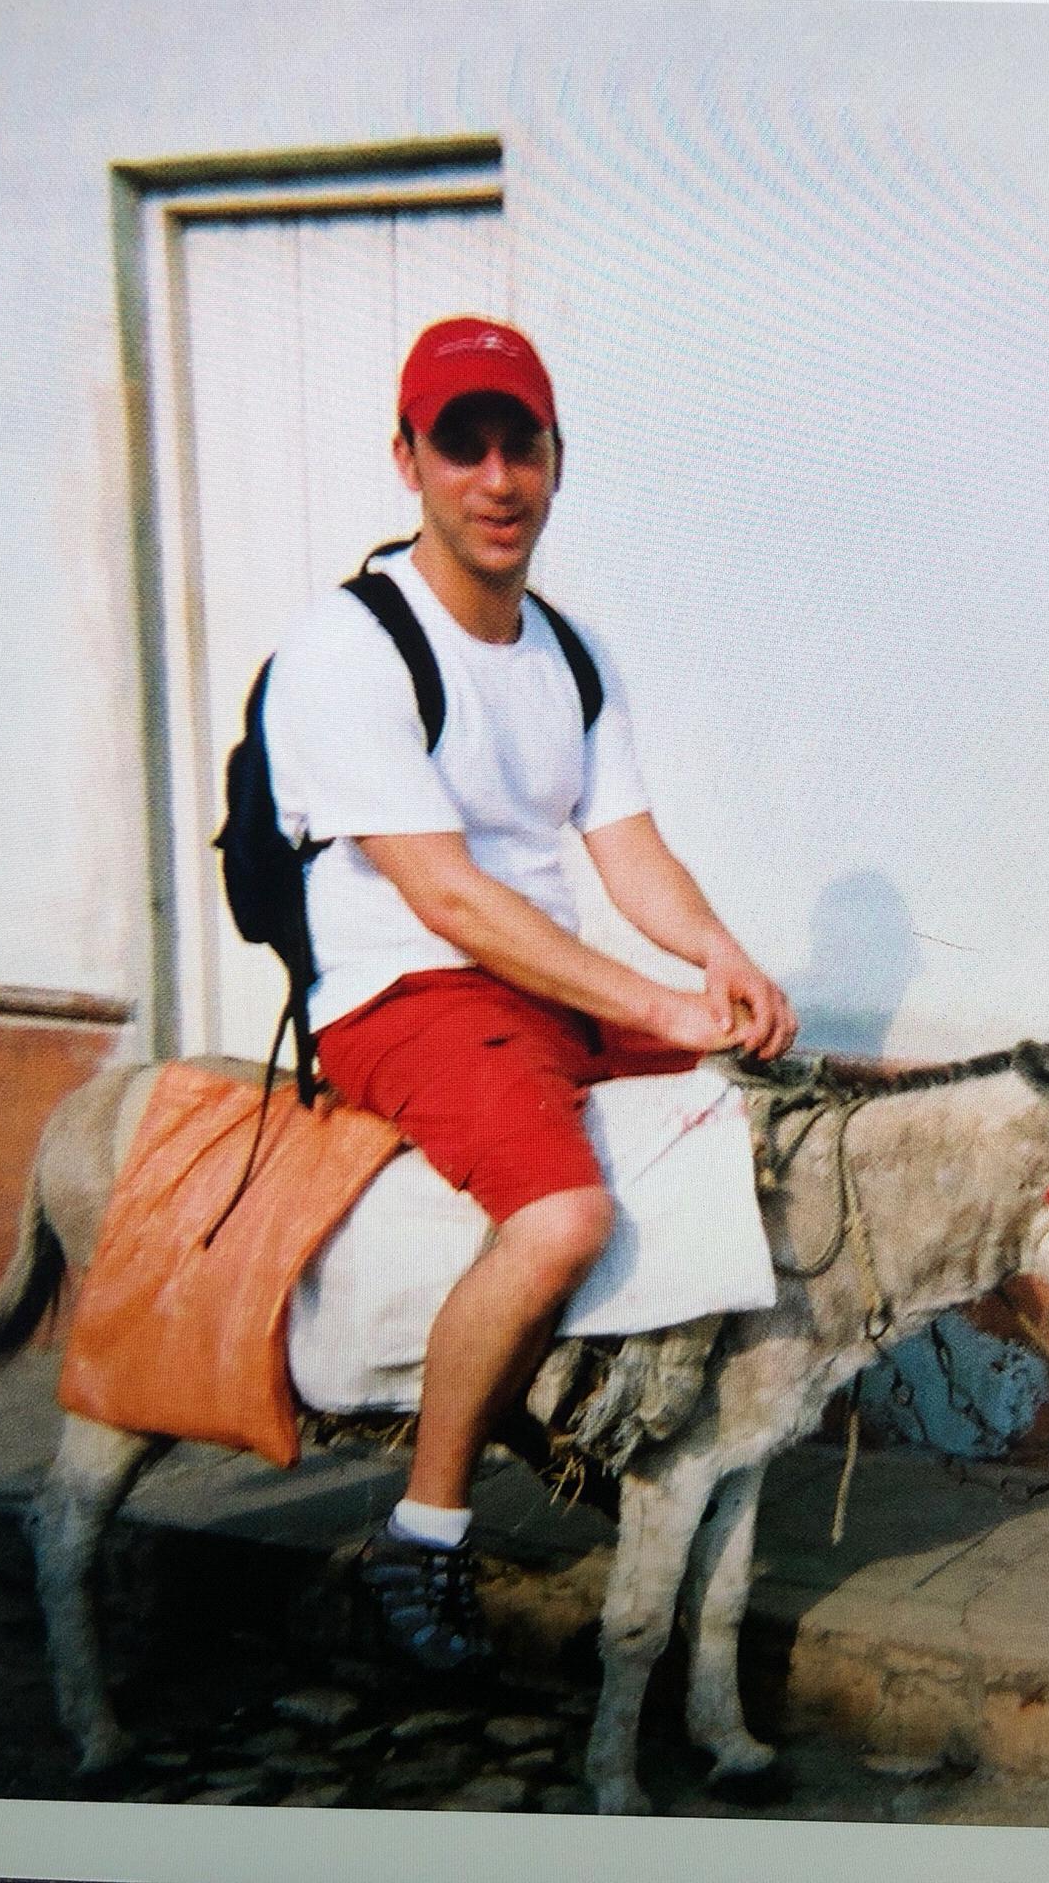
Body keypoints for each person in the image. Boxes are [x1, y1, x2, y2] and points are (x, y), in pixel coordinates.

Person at [264, 316, 796, 1672]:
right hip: (403, 988)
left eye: (523, 447)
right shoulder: (348, 645)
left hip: (531, 977)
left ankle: (626, 1419)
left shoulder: (571, 651)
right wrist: (651, 1003)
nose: (497, 481)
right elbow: (443, 897)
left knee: (760, 1112)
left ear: (558, 462)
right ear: (410, 460)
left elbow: (624, 845)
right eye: (464, 448)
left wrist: (716, 963)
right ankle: (424, 1533)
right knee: (561, 1215)